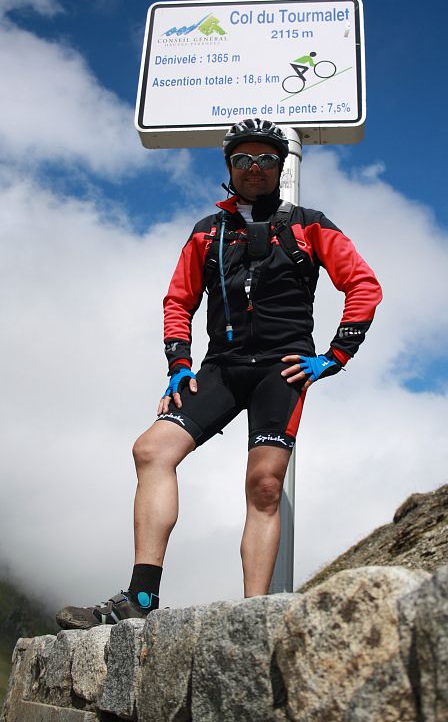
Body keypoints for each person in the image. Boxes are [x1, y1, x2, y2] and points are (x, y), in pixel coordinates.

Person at [56, 118, 382, 630]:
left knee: (265, 484)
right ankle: (140, 599)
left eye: (266, 160)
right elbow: (178, 300)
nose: (254, 168)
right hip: (222, 367)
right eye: (243, 160)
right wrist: (177, 366)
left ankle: (251, 619)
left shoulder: (310, 223)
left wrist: (335, 356)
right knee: (151, 450)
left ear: (281, 166)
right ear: (229, 167)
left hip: (283, 368)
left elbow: (363, 285)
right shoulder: (208, 230)